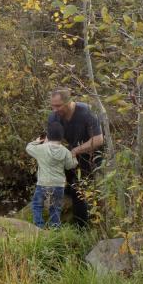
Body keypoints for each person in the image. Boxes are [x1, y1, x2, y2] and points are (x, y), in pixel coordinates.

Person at [48, 87, 104, 226]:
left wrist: (75, 151)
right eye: (52, 106)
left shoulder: (86, 112)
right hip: (73, 151)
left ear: (68, 102)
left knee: (78, 189)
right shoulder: (54, 117)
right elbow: (53, 141)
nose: (55, 109)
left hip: (92, 153)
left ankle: (82, 228)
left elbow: (98, 140)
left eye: (58, 106)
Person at [26, 122, 78, 228]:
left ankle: (39, 226)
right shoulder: (65, 151)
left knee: (37, 205)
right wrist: (73, 155)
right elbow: (72, 165)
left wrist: (37, 141)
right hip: (58, 185)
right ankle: (55, 228)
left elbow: (28, 148)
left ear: (48, 136)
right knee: (55, 208)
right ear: (62, 137)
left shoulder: (41, 149)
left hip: (43, 184)